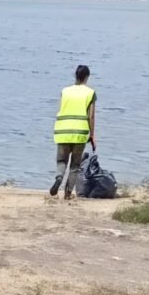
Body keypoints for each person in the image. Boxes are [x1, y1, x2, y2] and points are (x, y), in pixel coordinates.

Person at [51, 65, 96, 199]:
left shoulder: (65, 91)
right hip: (79, 132)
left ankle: (59, 177)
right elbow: (91, 116)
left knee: (61, 161)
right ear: (87, 77)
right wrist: (92, 135)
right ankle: (68, 193)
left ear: (75, 76)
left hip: (62, 130)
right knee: (75, 165)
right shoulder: (90, 93)